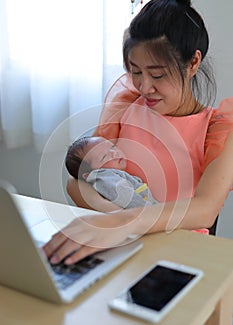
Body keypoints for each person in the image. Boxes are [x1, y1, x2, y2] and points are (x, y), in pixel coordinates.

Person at [43, 0, 233, 266]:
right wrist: (121, 224)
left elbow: (205, 211)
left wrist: (122, 221)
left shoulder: (219, 127)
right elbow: (78, 184)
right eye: (136, 72)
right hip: (122, 246)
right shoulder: (125, 105)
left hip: (181, 254)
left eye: (157, 75)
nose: (144, 87)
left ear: (193, 63)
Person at [65, 135, 158, 209]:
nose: (115, 153)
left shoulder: (113, 174)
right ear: (88, 175)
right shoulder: (103, 176)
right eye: (104, 157)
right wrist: (151, 213)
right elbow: (126, 197)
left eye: (113, 147)